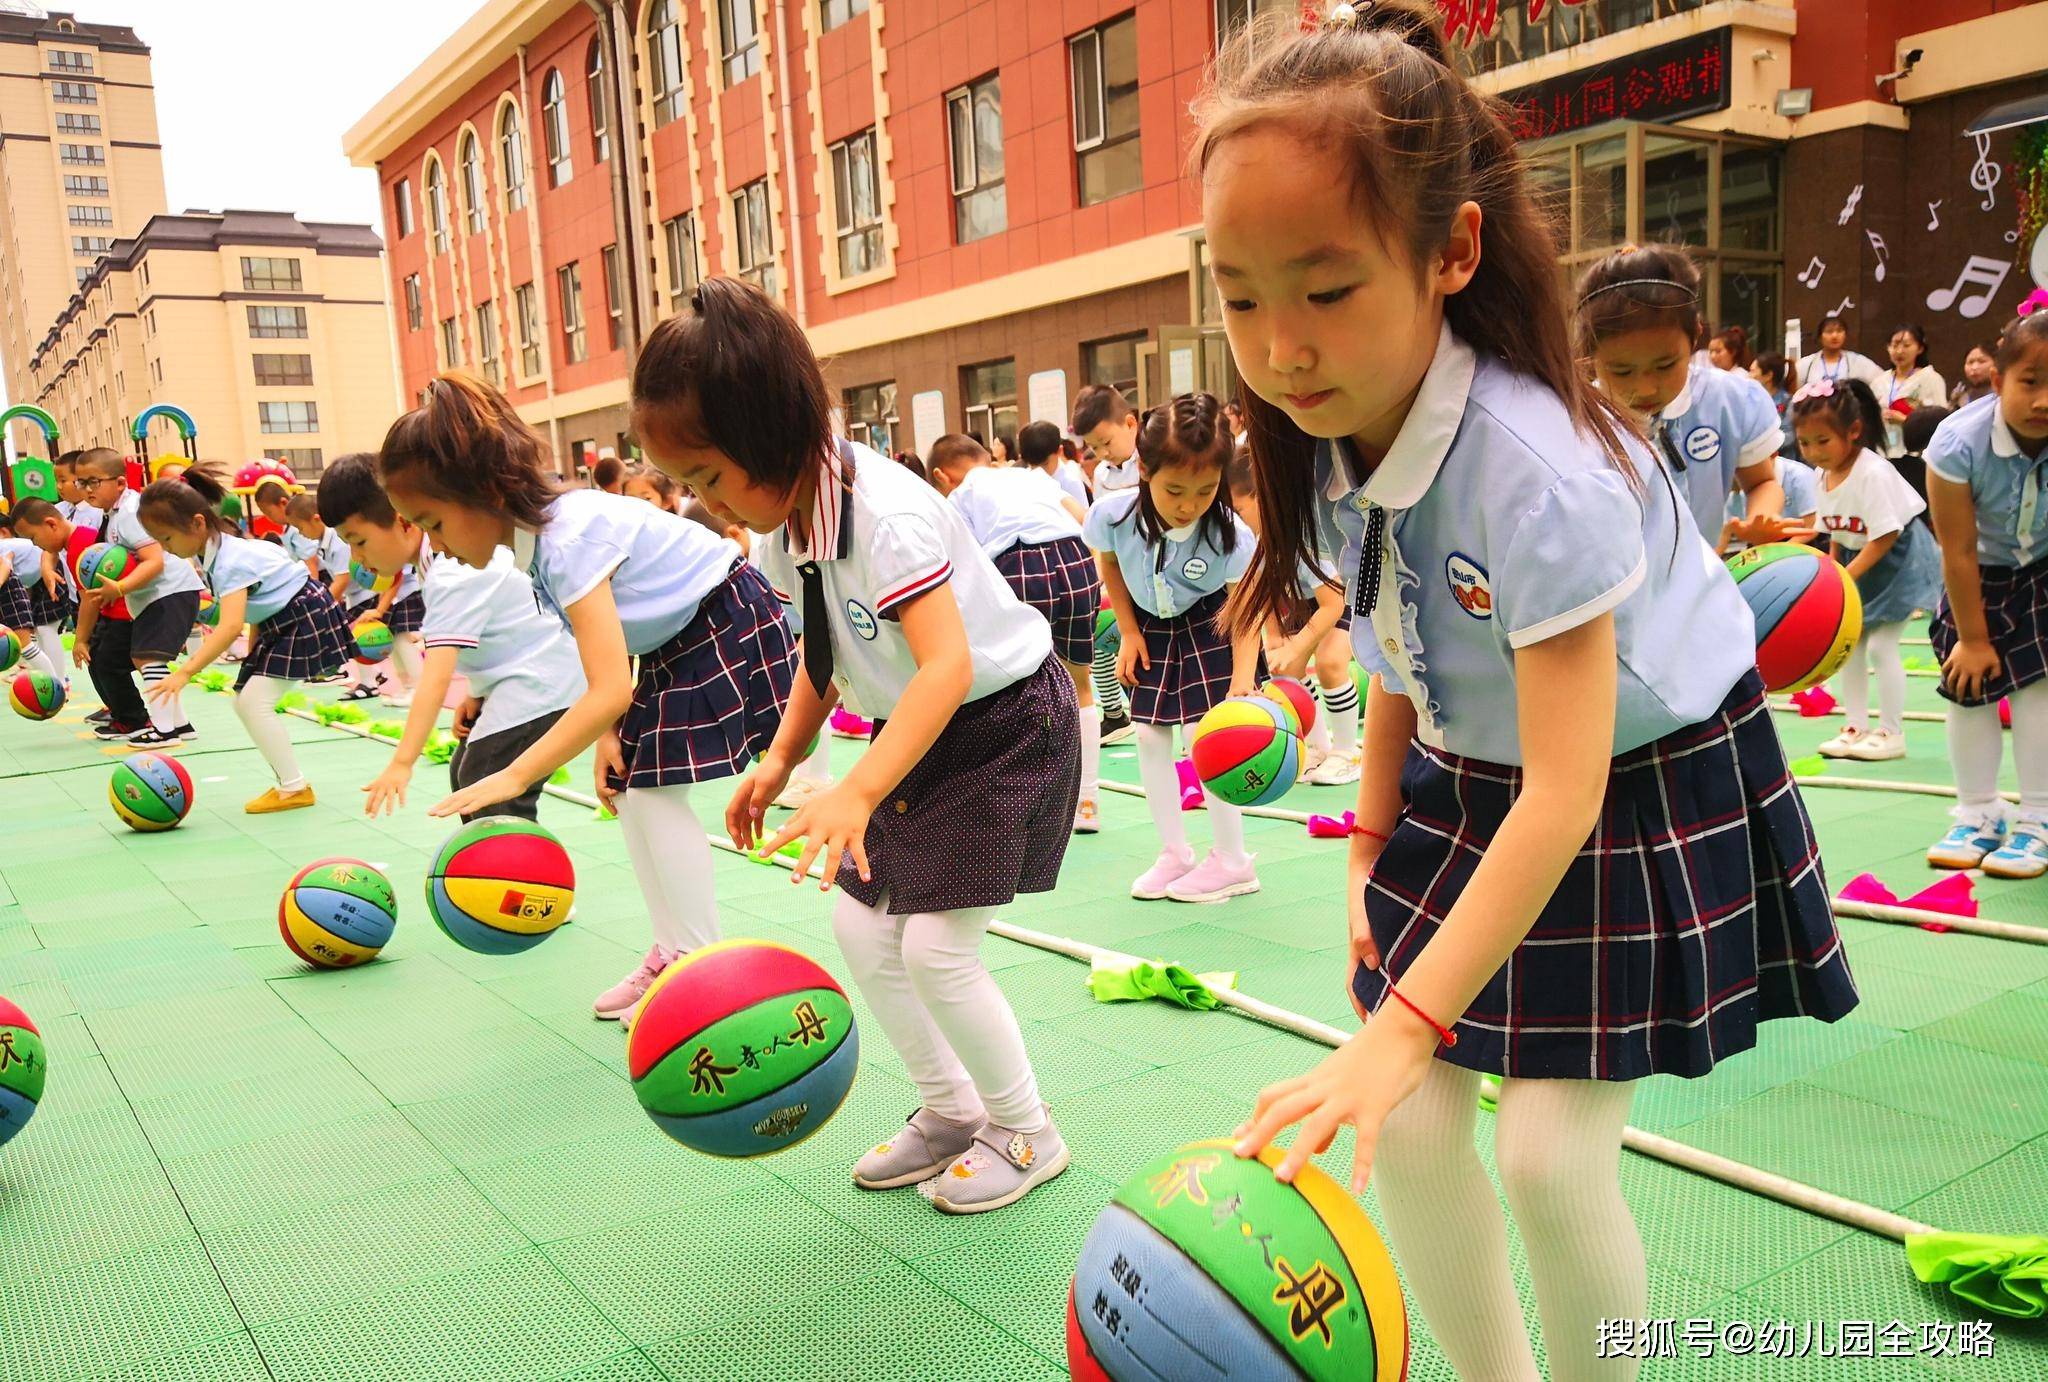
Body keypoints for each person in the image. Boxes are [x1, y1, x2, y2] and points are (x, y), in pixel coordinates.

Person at [1198, 9, 1858, 1381]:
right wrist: (1371, 847)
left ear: (1451, 253)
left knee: (1551, 1157)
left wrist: (1405, 1020)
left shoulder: (1535, 466)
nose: (1279, 342)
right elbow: (1398, 646)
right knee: (1414, 1125)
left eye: (1324, 288)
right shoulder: (1341, 416)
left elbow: (1566, 788)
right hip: (1472, 779)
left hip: (1632, 782)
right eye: (1241, 291)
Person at [646, 277, 1073, 1213]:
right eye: (690, 485)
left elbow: (947, 669)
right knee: (858, 925)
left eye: (710, 477)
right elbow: (823, 657)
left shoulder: (885, 515)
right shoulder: (786, 524)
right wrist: (780, 761)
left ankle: (1028, 1130)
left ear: (768, 433)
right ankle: (950, 1109)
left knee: (936, 950)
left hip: (1005, 730)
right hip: (925, 734)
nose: (708, 502)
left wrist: (860, 791)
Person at [381, 373, 796, 1023]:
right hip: (673, 634)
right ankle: (675, 951)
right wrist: (610, 736)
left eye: (432, 522)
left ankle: (700, 969)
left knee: (654, 795)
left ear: (483, 494)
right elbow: (608, 648)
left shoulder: (564, 539)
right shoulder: (538, 541)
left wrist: (516, 774)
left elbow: (609, 686)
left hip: (723, 616)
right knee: (632, 787)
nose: (432, 543)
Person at [317, 455, 588, 825]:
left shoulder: (451, 571)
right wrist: (477, 693)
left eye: (359, 541)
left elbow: (436, 676)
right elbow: (503, 624)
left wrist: (402, 762)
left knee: (486, 788)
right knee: (467, 773)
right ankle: (494, 874)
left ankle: (515, 880)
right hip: (525, 675)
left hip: (545, 682)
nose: (358, 559)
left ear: (402, 521)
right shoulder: (434, 560)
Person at [1085, 393, 1265, 903]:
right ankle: (1176, 853)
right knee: (1148, 737)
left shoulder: (1228, 534)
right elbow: (1112, 566)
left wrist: (1242, 682)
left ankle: (1233, 860)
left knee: (1206, 739)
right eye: (1176, 489)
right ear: (1143, 469)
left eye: (1207, 490)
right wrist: (1130, 631)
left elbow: (1245, 609)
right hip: (1151, 628)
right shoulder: (1113, 516)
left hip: (1214, 626)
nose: (1190, 504)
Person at [137, 468, 352, 809]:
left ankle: (294, 787)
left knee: (253, 703)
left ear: (196, 524)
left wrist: (184, 672)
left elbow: (229, 625)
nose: (165, 548)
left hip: (302, 617)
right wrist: (255, 654)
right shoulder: (219, 551)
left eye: (166, 539)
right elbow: (259, 604)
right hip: (283, 618)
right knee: (245, 702)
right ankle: (289, 783)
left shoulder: (228, 561)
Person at [927, 432, 1107, 831]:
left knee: (1015, 689)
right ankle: (1087, 802)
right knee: (1080, 685)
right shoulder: (1029, 476)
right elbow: (1084, 517)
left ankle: (1024, 806)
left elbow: (962, 562)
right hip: (1075, 558)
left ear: (942, 476)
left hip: (1019, 562)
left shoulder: (960, 496)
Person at [1925, 312, 2048, 877]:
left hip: (2044, 569)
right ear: (1997, 380)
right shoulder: (1955, 443)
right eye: (2031, 381)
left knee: (2038, 692)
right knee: (1966, 685)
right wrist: (1973, 639)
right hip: (1978, 571)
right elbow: (1958, 550)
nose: (2044, 399)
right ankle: (1978, 811)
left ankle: (2040, 818)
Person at [1575, 243, 1789, 548]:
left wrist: (1762, 517)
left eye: (1665, 365)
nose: (1646, 388)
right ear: (1590, 356)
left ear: (1695, 336)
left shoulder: (1729, 402)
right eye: (1622, 371)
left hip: (1706, 583)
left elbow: (1762, 482)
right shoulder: (1578, 422)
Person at [1797, 379, 1942, 763]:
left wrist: (1843, 577)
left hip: (1901, 559)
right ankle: (1854, 726)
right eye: (1805, 443)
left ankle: (1891, 732)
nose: (1813, 452)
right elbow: (1836, 531)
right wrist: (1832, 567)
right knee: (1851, 647)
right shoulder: (1821, 475)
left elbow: (1887, 535)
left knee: (1881, 645)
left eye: (1822, 441)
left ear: (1854, 432)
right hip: (1857, 560)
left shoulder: (1873, 473)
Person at [1227, 444, 1361, 783]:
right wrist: (1275, 638)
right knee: (1286, 671)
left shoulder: (1302, 532)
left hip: (1341, 599)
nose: (1236, 521)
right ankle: (1317, 746)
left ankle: (1348, 751)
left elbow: (1333, 604)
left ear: (1261, 497)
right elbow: (1264, 592)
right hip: (1305, 603)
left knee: (1330, 662)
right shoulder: (1257, 541)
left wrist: (1297, 645)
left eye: (1239, 510)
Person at [73, 447, 203, 748]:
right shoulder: (116, 514)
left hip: (170, 591)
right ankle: (179, 725)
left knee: (147, 657)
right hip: (160, 594)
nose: (87, 489)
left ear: (120, 482)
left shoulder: (130, 513)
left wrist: (117, 589)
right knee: (144, 657)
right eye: (82, 482)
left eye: (94, 481)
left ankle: (164, 731)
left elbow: (153, 561)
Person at [1878, 324, 1948, 461]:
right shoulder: (1880, 381)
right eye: (1894, 345)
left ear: (1920, 348)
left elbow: (1941, 423)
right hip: (1883, 455)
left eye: (1906, 345)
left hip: (1917, 457)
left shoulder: (1931, 378)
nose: (1899, 351)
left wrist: (1905, 421)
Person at [1797, 314, 1884, 389]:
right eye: (1829, 331)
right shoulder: (1807, 364)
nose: (1835, 336)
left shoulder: (1857, 361)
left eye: (1839, 331)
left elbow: (1882, 381)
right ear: (1820, 336)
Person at [1017, 420, 1088, 506]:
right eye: (1033, 466)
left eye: (1045, 464)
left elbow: (1083, 518)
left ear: (1059, 451)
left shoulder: (1071, 484)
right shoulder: (1023, 482)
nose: (1039, 472)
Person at [1750, 350, 1799, 459]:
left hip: (1783, 461)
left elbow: (1790, 436)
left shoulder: (1788, 402)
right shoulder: (1752, 400)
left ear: (1768, 376)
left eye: (1752, 371)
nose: (1749, 376)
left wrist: (1762, 446)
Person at [1949, 341, 1997, 410]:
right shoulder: (1959, 395)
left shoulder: (2005, 394)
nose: (1974, 367)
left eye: (1981, 361)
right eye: (1970, 362)